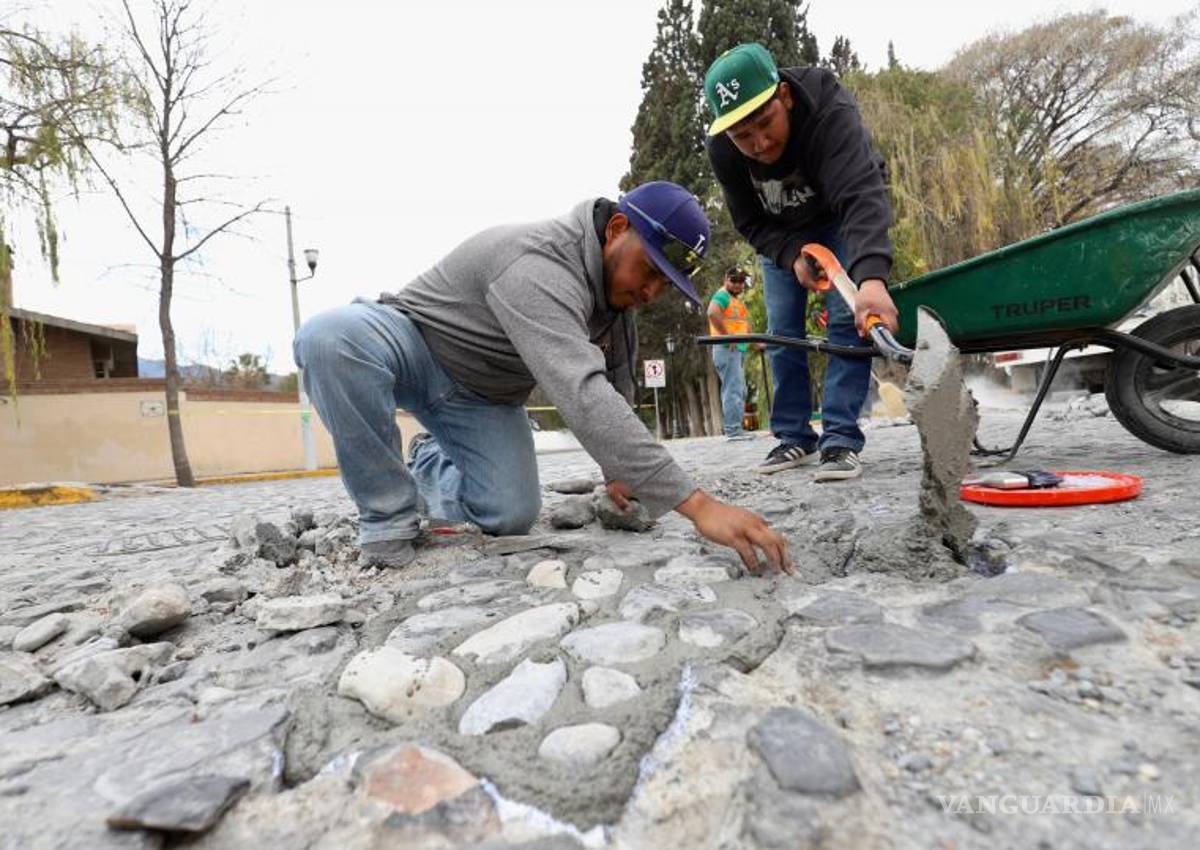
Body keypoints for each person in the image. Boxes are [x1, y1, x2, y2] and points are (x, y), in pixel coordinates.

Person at [293, 180, 791, 574]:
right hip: (415, 343)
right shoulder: (540, 264)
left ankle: (428, 458)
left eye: (667, 282)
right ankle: (387, 517)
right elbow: (580, 393)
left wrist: (616, 473)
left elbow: (615, 386)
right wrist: (697, 504)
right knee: (330, 338)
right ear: (617, 227)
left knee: (510, 515)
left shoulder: (617, 302)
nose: (651, 291)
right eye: (651, 269)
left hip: (482, 398)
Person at [703, 42, 900, 482]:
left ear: (785, 98)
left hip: (838, 219)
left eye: (764, 123)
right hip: (783, 234)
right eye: (742, 135)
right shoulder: (723, 151)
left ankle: (841, 440)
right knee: (782, 332)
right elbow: (750, 222)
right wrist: (790, 255)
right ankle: (793, 436)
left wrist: (871, 278)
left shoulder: (828, 109)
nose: (758, 143)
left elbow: (862, 195)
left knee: (850, 321)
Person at [706, 266, 761, 441]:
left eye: (741, 281)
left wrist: (757, 342)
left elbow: (744, 324)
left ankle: (735, 428)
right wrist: (727, 337)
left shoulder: (735, 300)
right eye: (734, 280)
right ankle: (733, 430)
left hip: (737, 349)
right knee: (733, 388)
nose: (738, 284)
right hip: (727, 348)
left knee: (739, 389)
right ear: (725, 280)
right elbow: (712, 313)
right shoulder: (722, 295)